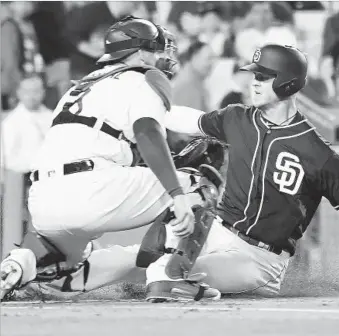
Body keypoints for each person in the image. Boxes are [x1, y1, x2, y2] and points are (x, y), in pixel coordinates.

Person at [145, 44, 339, 301]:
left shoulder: (316, 152)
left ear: (286, 82)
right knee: (142, 261)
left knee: (164, 272)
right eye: (254, 75)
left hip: (259, 260)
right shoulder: (237, 118)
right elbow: (184, 118)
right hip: (217, 236)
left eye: (263, 76)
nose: (254, 82)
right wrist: (137, 107)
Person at [0, 16, 222, 302]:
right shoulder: (144, 77)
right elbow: (148, 132)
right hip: (91, 188)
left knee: (69, 273)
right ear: (139, 52)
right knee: (198, 184)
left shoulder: (81, 87)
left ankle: (21, 262)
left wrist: (210, 124)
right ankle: (168, 279)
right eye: (156, 50)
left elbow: (167, 118)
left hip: (43, 200)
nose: (162, 57)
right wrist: (177, 194)